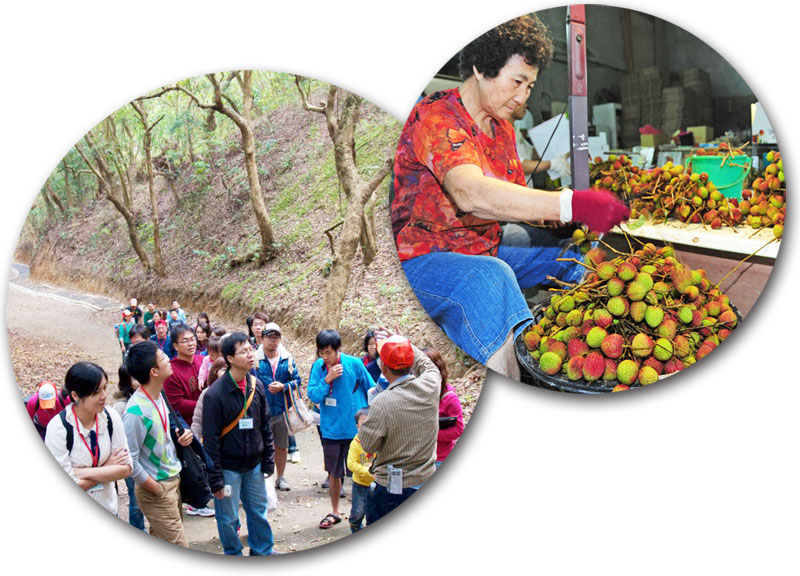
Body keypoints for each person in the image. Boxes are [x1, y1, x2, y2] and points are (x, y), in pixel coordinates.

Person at [391, 14, 629, 380]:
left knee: (573, 254)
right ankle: (527, 378)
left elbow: (511, 194)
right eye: (517, 81)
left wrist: (555, 217)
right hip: (424, 257)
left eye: (530, 86)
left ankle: (597, 348)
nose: (522, 97)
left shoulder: (501, 127)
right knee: (493, 279)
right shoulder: (436, 116)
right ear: (481, 69)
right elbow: (470, 192)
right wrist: (569, 202)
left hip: (484, 240)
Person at [202, 333, 278, 556]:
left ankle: (263, 550)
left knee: (258, 511)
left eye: (250, 349)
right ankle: (233, 554)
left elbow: (265, 427)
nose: (250, 354)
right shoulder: (215, 395)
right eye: (243, 351)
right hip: (227, 469)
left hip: (253, 465)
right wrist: (215, 478)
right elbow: (211, 440)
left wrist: (268, 459)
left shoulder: (257, 386)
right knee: (227, 518)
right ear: (230, 358)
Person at [360, 331, 441, 525]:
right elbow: (427, 365)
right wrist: (403, 344)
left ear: (383, 368)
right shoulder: (431, 385)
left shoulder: (383, 403)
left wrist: (364, 423)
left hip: (390, 491)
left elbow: (368, 445)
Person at [123, 341, 193, 548]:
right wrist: (153, 486)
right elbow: (130, 458)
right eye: (163, 358)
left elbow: (161, 434)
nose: (169, 360)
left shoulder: (159, 395)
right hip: (157, 488)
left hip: (172, 480)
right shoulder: (135, 412)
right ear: (154, 371)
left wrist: (181, 436)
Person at [307, 329, 375, 529]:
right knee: (334, 473)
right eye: (321, 352)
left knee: (362, 470)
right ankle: (335, 511)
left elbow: (372, 389)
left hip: (358, 432)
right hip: (331, 429)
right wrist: (327, 379)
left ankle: (361, 511)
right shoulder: (318, 368)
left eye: (329, 352)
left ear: (338, 350)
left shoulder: (354, 364)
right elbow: (313, 395)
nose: (325, 357)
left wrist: (366, 415)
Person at [45, 362, 132, 515]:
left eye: (105, 388)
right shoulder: (59, 428)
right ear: (75, 395)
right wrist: (106, 469)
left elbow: (126, 468)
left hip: (109, 509)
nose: (104, 396)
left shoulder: (110, 417)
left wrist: (81, 473)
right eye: (96, 392)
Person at [255, 322, 301, 492]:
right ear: (262, 338)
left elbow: (297, 381)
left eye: (276, 337)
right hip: (260, 411)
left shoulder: (287, 359)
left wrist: (283, 386)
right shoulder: (255, 359)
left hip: (282, 410)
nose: (272, 341)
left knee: (281, 446)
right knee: (260, 446)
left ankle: (280, 477)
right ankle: (262, 478)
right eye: (269, 337)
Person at [112, 365, 145, 531]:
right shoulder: (120, 407)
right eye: (135, 379)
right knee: (136, 500)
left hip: (147, 457)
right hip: (131, 459)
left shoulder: (149, 398)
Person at [423, 347, 464, 467]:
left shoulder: (449, 398)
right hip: (419, 457)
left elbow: (458, 429)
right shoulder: (417, 392)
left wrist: (433, 433)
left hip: (439, 458)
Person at [346, 408, 375, 533]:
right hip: (360, 484)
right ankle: (355, 528)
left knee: (373, 511)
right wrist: (366, 471)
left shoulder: (378, 441)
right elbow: (351, 463)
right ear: (357, 426)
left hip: (376, 484)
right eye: (363, 423)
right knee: (358, 511)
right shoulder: (356, 443)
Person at [191, 357, 228, 440]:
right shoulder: (207, 393)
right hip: (212, 442)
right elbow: (197, 422)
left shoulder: (239, 391)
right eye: (224, 370)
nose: (228, 373)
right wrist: (197, 446)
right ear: (215, 372)